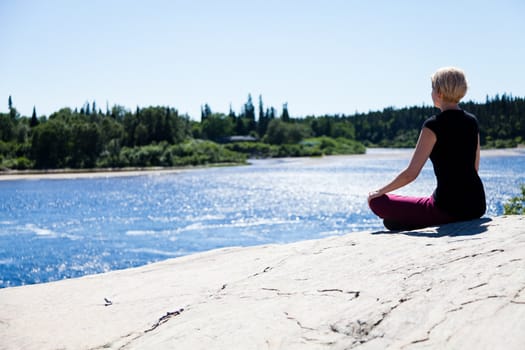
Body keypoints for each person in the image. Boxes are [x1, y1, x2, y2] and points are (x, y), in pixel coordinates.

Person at [368, 67, 486, 231]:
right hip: (477, 205)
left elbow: (411, 174)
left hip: (447, 209)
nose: (431, 93)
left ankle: (411, 221)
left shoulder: (433, 125)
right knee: (394, 221)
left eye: (432, 88)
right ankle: (406, 222)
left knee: (378, 202)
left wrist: (378, 192)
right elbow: (474, 168)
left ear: (439, 92)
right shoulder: (472, 121)